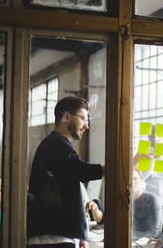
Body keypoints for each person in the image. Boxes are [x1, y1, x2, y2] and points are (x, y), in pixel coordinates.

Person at [27, 96, 105, 248]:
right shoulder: (56, 145)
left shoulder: (59, 145)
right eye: (82, 118)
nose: (86, 125)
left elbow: (69, 189)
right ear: (67, 117)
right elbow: (82, 170)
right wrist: (114, 168)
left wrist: (79, 235)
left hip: (59, 237)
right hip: (52, 240)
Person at [132, 124, 163, 236]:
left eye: (157, 136)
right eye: (152, 136)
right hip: (150, 197)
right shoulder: (144, 151)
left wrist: (156, 174)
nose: (155, 139)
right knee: (150, 231)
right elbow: (142, 176)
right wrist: (152, 160)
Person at [132, 169, 162, 240]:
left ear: (141, 180)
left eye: (135, 179)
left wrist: (134, 240)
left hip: (145, 243)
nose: (132, 182)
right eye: (129, 179)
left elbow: (155, 231)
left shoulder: (152, 200)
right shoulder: (124, 201)